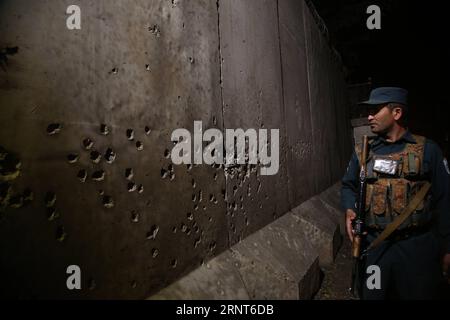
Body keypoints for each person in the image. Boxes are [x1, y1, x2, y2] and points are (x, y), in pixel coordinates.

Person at [341, 87, 450, 299]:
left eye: (375, 110)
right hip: (375, 247)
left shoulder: (429, 151)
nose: (369, 116)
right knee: (373, 295)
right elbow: (348, 185)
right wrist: (349, 208)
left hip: (417, 249)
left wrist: (447, 247)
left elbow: (445, 200)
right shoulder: (363, 152)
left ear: (396, 113)